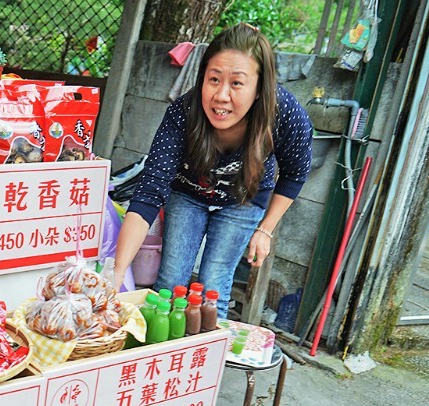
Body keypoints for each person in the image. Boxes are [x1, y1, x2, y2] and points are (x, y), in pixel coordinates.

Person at [114, 24, 313, 316]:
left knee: (213, 289)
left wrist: (265, 230)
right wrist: (117, 273)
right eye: (214, 79)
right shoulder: (183, 112)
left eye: (237, 83)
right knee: (170, 284)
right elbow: (149, 193)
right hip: (187, 192)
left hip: (244, 198)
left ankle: (208, 346)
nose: (221, 95)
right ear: (202, 77)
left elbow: (295, 174)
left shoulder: (285, 114)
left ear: (260, 88)